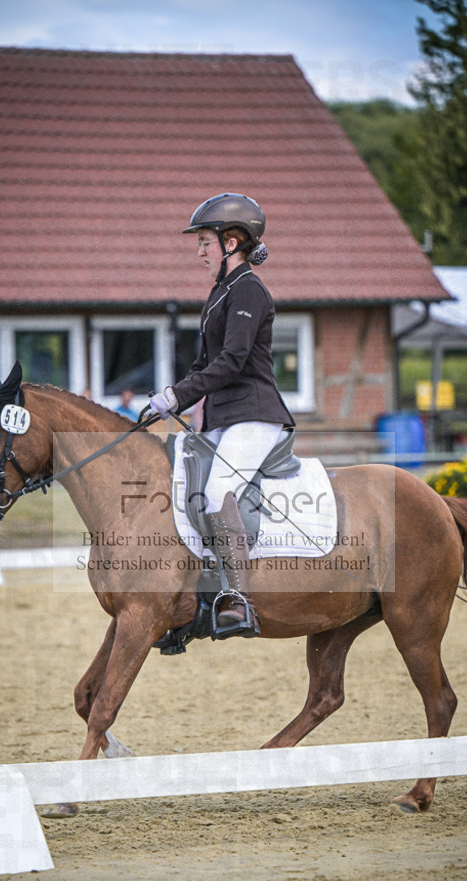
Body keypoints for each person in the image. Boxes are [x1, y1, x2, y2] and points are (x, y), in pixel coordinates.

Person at [149, 192, 295, 638]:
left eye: (205, 243)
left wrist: (176, 395)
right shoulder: (220, 293)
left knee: (216, 494)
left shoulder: (249, 289)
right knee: (179, 485)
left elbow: (231, 361)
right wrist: (178, 399)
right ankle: (190, 601)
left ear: (232, 242)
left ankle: (238, 601)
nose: (199, 252)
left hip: (255, 415)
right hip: (222, 419)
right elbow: (203, 366)